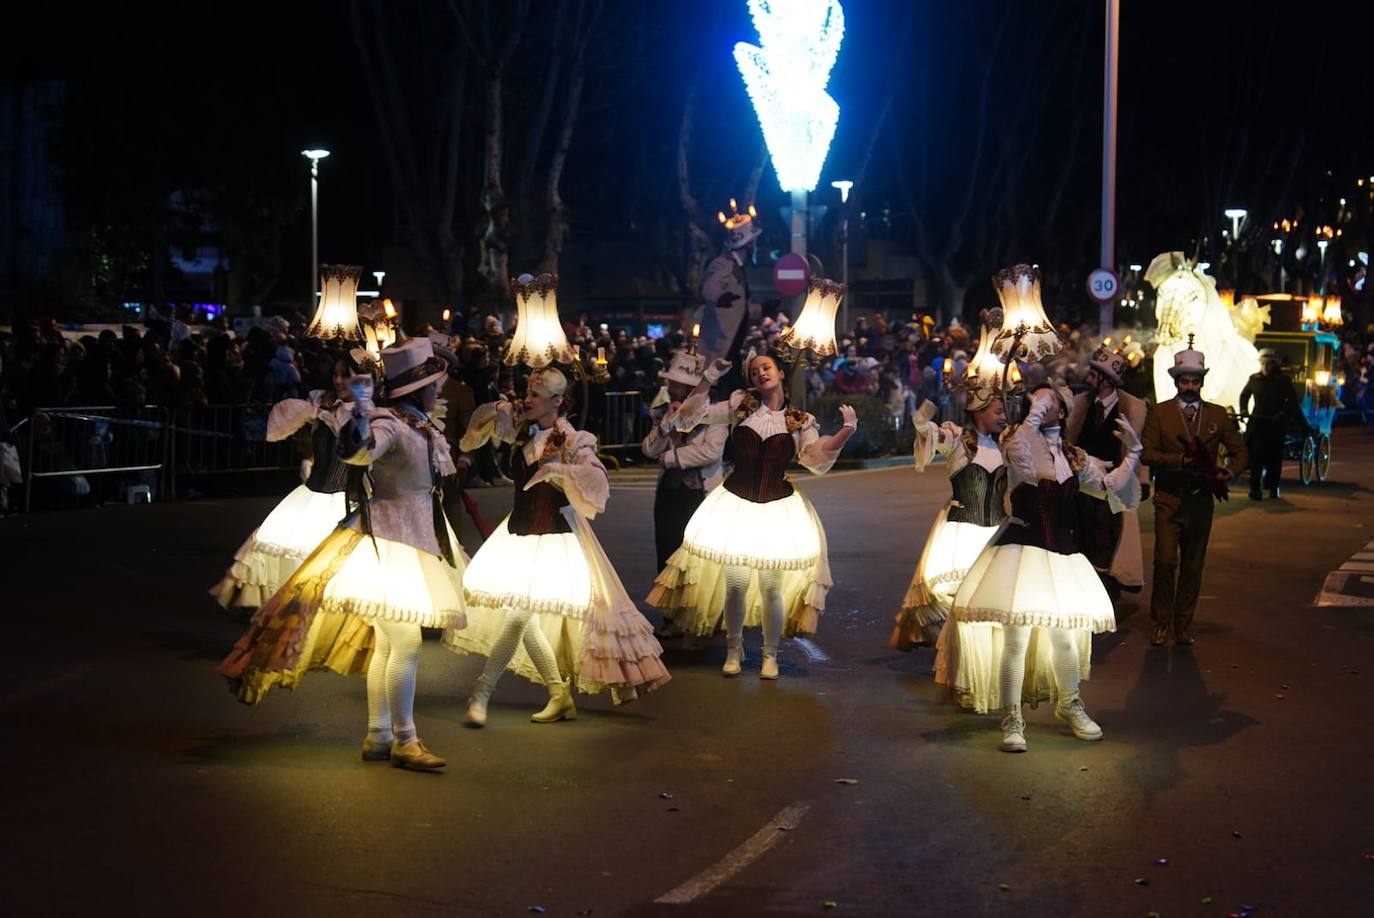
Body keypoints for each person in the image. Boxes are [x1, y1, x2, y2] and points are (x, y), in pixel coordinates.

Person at [218, 337, 469, 772]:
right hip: (389, 544)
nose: (439, 389)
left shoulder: (417, 424)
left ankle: (380, 734)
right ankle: (404, 740)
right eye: (434, 383)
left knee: (391, 644)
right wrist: (359, 414)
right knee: (404, 642)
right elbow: (359, 451)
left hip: (408, 539)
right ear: (419, 389)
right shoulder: (390, 423)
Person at [447, 367, 670, 726]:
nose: (528, 399)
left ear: (558, 401)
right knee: (525, 613)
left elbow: (597, 481)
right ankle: (558, 693)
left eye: (536, 395)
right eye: (528, 392)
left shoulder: (574, 439)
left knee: (518, 612)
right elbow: (470, 440)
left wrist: (561, 472)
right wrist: (501, 409)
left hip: (554, 535)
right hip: (518, 533)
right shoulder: (522, 432)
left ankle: (482, 692)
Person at [945, 383, 1142, 752]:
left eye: (1050, 400)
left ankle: (1069, 704)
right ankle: (1012, 718)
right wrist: (1034, 414)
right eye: (1037, 399)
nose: (1041, 403)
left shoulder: (1074, 457)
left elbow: (1110, 487)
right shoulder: (1016, 439)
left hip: (1062, 556)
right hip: (1022, 550)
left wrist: (1133, 453)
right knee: (1016, 638)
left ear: (1063, 411)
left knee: (1064, 636)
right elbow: (1027, 465)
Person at [647, 353, 858, 679]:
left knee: (772, 586)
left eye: (766, 367)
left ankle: (769, 655)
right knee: (736, 583)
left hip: (778, 508)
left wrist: (846, 430)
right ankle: (734, 650)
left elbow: (815, 458)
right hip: (736, 504)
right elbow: (689, 419)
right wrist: (708, 378)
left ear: (780, 373)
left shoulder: (798, 421)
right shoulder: (739, 407)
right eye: (754, 370)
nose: (760, 373)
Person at [211, 354, 355, 610]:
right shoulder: (321, 402)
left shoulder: (371, 414)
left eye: (346, 375)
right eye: (336, 375)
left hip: (348, 497)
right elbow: (288, 430)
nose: (339, 380)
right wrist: (309, 455)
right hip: (314, 494)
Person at [1142, 340, 1248, 646]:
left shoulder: (1217, 414)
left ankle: (1183, 625)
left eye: (1195, 380)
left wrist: (1230, 472)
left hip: (1201, 501)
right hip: (1168, 499)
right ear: (1176, 382)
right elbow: (1147, 453)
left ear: (1202, 382)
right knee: (1164, 562)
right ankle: (1161, 621)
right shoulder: (1159, 413)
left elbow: (1241, 451)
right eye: (1184, 380)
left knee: (1192, 566)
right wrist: (1178, 461)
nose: (1190, 386)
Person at [891, 384, 1007, 650]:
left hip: (996, 532)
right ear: (979, 412)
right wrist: (937, 395)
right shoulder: (958, 440)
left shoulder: (1006, 444)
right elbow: (922, 425)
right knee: (955, 592)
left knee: (989, 594)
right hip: (962, 530)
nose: (1004, 417)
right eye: (998, 411)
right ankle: (955, 648)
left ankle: (979, 650)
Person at [641, 350, 729, 636]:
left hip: (700, 496)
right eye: (670, 383)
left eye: (676, 384)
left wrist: (671, 457)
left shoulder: (715, 414)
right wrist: (666, 426)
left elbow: (711, 451)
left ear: (693, 389)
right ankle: (670, 616)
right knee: (667, 554)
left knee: (699, 557)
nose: (670, 388)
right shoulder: (664, 412)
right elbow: (648, 449)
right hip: (669, 494)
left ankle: (703, 616)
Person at [1065, 341, 1149, 598]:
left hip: (1113, 487)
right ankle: (1084, 595)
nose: (1088, 378)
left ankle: (1106, 597)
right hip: (1082, 486)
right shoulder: (1081, 404)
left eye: (1094, 374)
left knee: (1108, 541)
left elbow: (1139, 449)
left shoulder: (1132, 408)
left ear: (1108, 379)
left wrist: (1142, 480)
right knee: (1082, 539)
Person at [698, 200, 763, 395]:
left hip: (732, 344)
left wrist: (762, 310)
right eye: (753, 241)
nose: (755, 244)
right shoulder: (723, 263)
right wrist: (720, 297)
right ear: (746, 243)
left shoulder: (739, 269)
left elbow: (738, 306)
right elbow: (709, 289)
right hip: (721, 346)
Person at [1239, 348, 1297, 500]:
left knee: (1274, 459)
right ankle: (1255, 489)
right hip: (1258, 423)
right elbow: (1244, 395)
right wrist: (1244, 410)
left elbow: (1292, 401)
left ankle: (1273, 487)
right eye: (1262, 364)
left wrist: (1283, 414)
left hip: (1275, 424)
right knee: (1256, 458)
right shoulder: (1254, 379)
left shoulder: (1283, 380)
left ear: (1273, 364)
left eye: (1268, 364)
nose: (1265, 367)